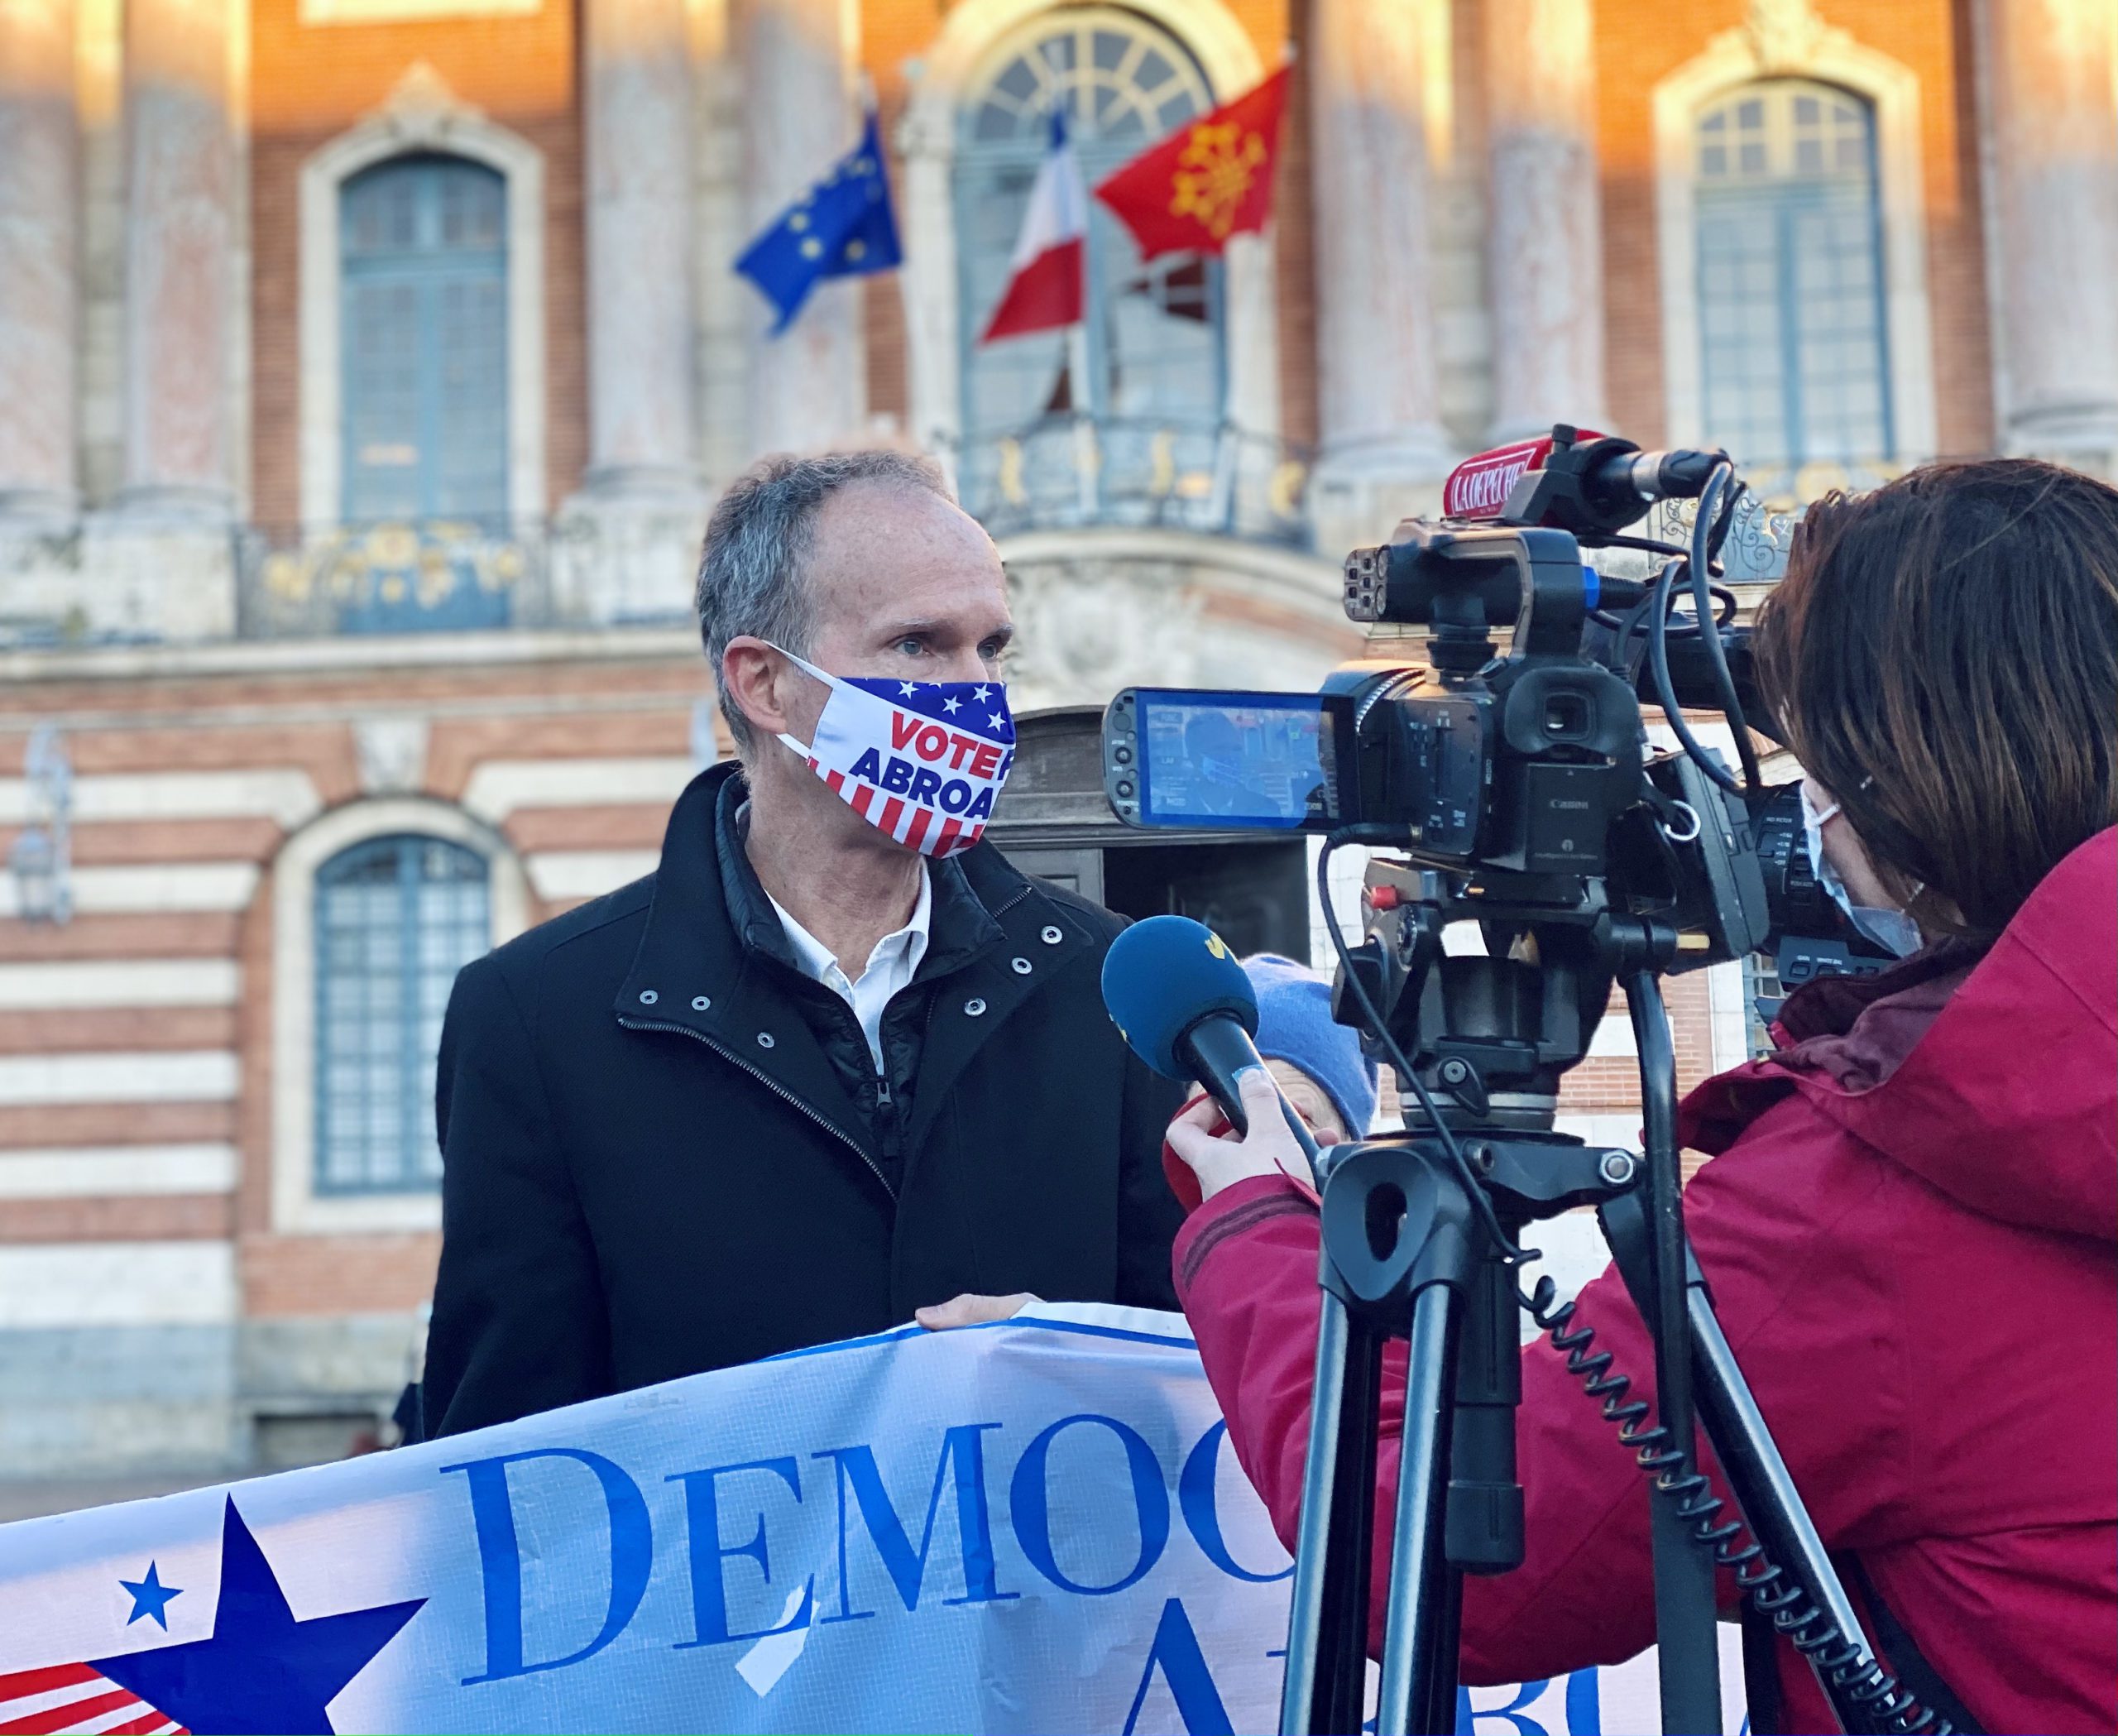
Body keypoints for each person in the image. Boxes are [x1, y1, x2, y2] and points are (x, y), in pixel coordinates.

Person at [1162, 458, 2118, 1734]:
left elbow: (1453, 1563)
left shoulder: (1882, 1195)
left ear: (1902, 774)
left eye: (1810, 757)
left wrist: (1258, 1225)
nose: (1805, 814)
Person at [422, 451, 1186, 1436]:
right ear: (766, 686)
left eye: (991, 647)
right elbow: (504, 1461)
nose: (978, 693)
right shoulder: (538, 1017)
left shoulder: (1106, 980)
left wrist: (1077, 1360)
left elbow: (1207, 1382)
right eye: (917, 645)